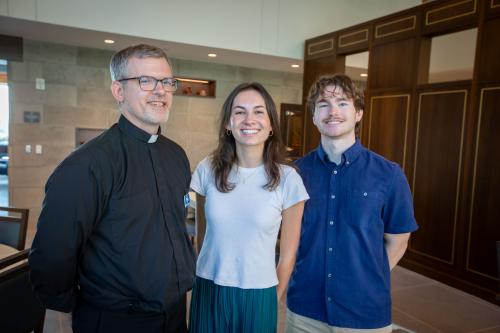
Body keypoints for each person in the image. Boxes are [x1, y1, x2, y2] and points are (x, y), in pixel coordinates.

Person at [28, 44, 196, 333]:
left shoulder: (176, 155)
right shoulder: (88, 164)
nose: (160, 91)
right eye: (145, 81)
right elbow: (52, 254)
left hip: (175, 315)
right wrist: (67, 311)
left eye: (167, 82)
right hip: (116, 320)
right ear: (119, 91)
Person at [286, 74, 418, 332]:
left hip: (364, 312)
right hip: (305, 311)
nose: (333, 111)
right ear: (314, 116)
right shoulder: (295, 174)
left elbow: (398, 241)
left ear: (358, 113)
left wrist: (364, 278)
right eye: (323, 104)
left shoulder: (389, 174)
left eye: (343, 103)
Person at [188, 82, 309, 333]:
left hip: (259, 292)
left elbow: (288, 255)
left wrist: (272, 297)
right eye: (240, 111)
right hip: (209, 287)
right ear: (228, 124)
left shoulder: (288, 179)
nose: (249, 119)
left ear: (272, 124)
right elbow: (201, 237)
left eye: (258, 111)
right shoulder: (207, 169)